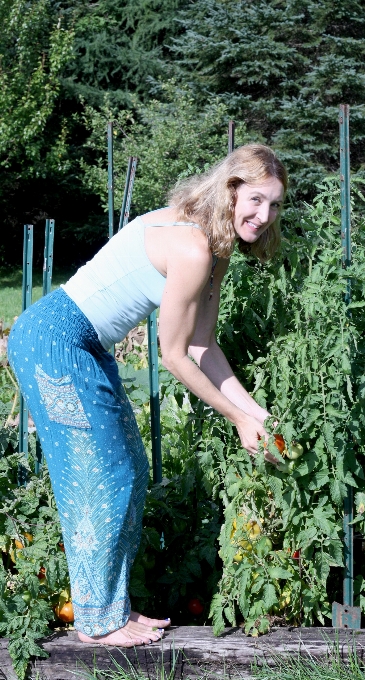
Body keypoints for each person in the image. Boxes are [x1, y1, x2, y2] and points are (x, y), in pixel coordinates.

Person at [8, 143, 287, 647]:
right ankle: (97, 622)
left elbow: (204, 346)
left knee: (130, 468)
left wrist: (255, 413)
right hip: (53, 341)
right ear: (230, 191)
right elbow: (176, 356)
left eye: (274, 205)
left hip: (82, 344)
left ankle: (110, 609)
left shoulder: (214, 245)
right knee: (102, 473)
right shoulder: (194, 247)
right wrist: (238, 421)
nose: (264, 216)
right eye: (255, 200)